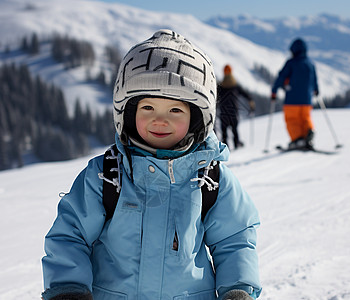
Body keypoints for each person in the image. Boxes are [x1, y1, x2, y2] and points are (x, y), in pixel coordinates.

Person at [41, 29, 262, 300]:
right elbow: (70, 235)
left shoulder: (211, 180)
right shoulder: (106, 176)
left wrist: (237, 291)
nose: (160, 120)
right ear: (129, 112)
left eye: (175, 110)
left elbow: (235, 240)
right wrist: (69, 289)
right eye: (148, 108)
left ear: (196, 118)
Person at [271, 38, 319, 150]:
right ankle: (308, 132)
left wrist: (274, 91)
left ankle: (298, 139)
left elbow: (281, 77)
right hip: (307, 99)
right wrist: (316, 90)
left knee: (292, 119)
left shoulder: (291, 63)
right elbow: (314, 80)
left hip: (292, 99)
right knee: (305, 118)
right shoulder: (310, 64)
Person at [217, 64, 255, 149]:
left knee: (224, 131)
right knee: (234, 130)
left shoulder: (221, 86)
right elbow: (246, 95)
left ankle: (225, 146)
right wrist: (251, 102)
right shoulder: (235, 85)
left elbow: (215, 98)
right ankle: (236, 143)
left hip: (223, 112)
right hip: (233, 112)